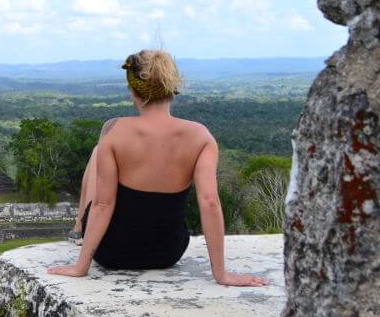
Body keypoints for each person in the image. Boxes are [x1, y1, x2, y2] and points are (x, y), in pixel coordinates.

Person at [48, 50, 269, 287]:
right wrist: (222, 275)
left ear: (135, 92)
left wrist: (81, 266)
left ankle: (79, 227)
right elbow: (209, 202)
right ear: (171, 89)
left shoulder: (114, 132)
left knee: (96, 153)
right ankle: (81, 228)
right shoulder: (201, 137)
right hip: (167, 252)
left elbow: (104, 204)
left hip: (111, 252)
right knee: (99, 153)